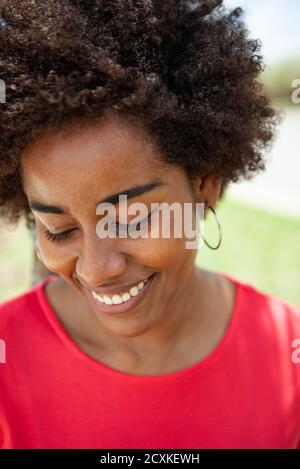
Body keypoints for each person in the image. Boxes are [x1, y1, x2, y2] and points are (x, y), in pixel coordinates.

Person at [0, 0, 299, 449]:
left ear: (205, 186)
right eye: (59, 230)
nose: (97, 270)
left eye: (132, 219)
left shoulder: (287, 354)